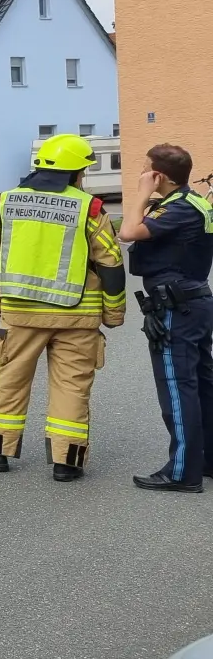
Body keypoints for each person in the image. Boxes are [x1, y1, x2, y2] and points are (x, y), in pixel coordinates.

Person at [0, 134, 126, 482]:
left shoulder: (6, 202)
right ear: (76, 172)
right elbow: (111, 264)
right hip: (78, 317)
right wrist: (114, 313)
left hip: (21, 314)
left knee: (8, 381)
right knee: (72, 387)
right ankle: (67, 462)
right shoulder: (90, 208)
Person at [116, 143, 213, 493]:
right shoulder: (195, 202)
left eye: (147, 169)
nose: (142, 173)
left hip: (177, 306)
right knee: (201, 382)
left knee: (177, 386)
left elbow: (128, 232)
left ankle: (182, 472)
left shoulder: (176, 209)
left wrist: (141, 194)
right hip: (194, 301)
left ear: (161, 175)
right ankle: (206, 459)